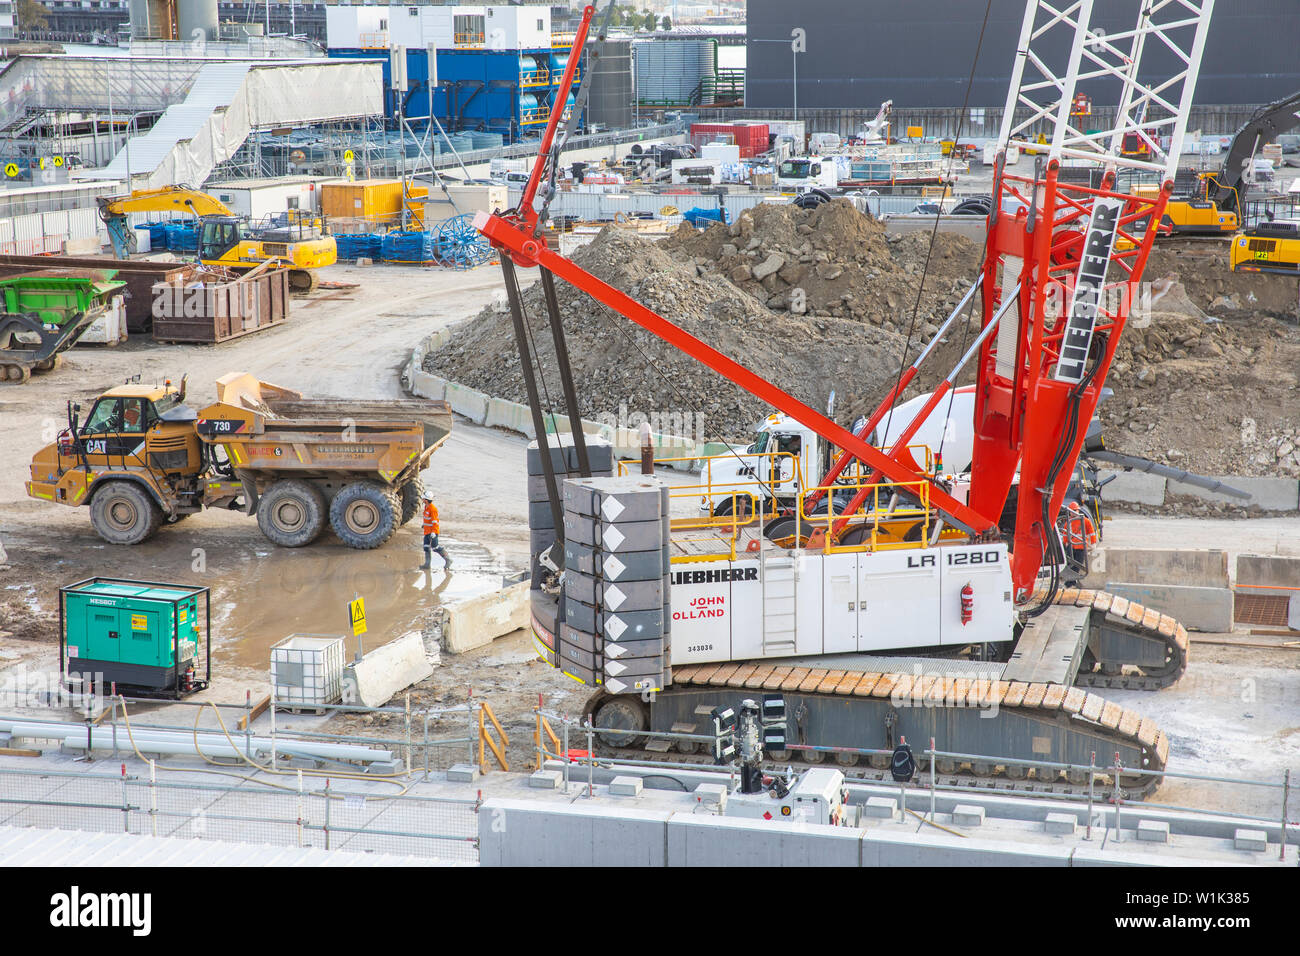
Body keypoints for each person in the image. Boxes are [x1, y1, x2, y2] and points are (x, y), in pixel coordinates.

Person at [420, 495, 451, 569]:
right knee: (426, 547)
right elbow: (428, 519)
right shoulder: (426, 507)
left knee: (435, 547)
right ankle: (427, 564)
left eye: (423, 498)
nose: (422, 499)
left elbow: (435, 522)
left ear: (426, 500)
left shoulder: (433, 509)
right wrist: (424, 524)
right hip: (427, 532)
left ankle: (448, 560)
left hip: (432, 532)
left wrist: (433, 532)